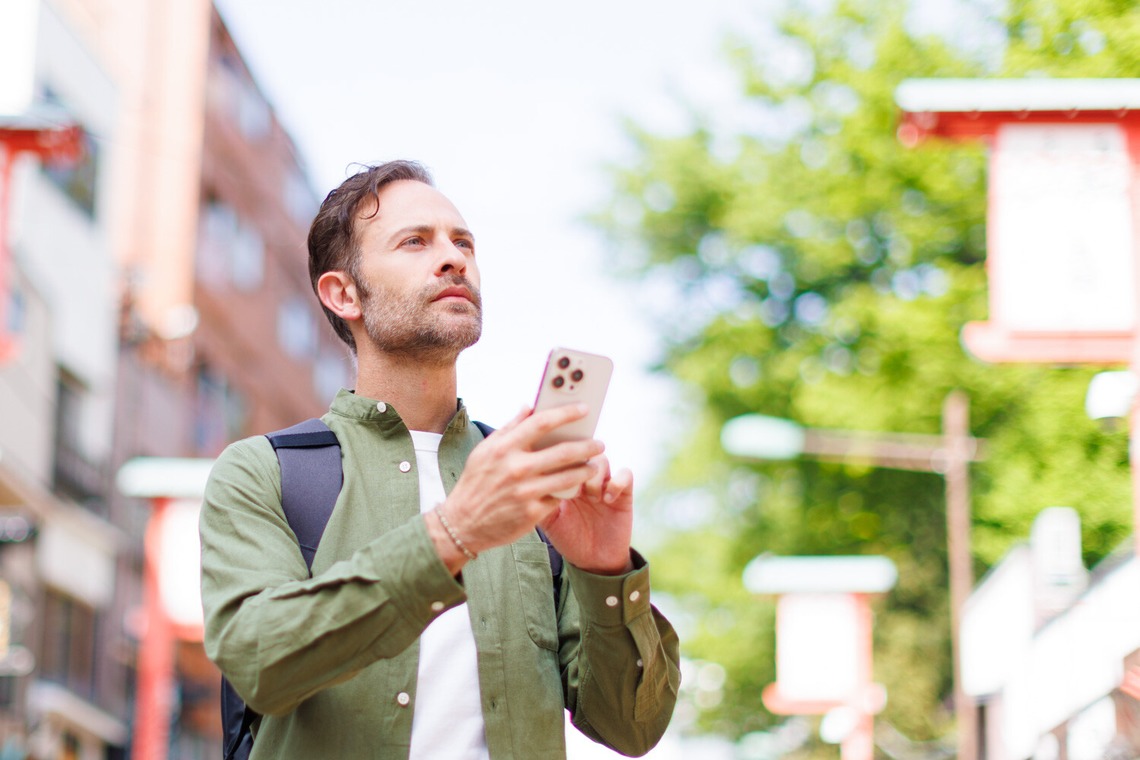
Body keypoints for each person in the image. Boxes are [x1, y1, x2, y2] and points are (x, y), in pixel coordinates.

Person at [199, 160, 681, 759]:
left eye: (464, 243)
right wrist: (454, 534)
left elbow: (633, 727)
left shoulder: (529, 486)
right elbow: (258, 660)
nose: (453, 258)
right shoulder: (264, 472)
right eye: (414, 242)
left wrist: (606, 571)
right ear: (342, 293)